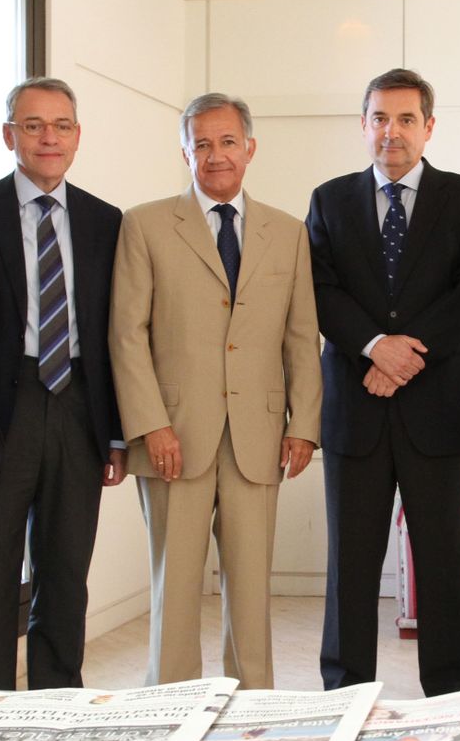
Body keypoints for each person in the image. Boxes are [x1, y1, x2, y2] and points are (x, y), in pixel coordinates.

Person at [110, 92, 321, 690]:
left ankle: (253, 711)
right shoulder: (146, 224)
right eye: (201, 143)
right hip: (173, 434)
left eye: (227, 141)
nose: (215, 154)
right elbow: (128, 334)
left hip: (258, 437)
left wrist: (303, 424)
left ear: (249, 148)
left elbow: (303, 337)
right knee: (174, 589)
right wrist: (151, 425)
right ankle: (170, 708)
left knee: (252, 590)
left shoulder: (288, 233)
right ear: (185, 151)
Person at [306, 68, 460, 696]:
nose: (392, 131)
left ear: (429, 127)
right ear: (363, 126)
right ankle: (346, 692)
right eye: (380, 118)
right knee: (349, 566)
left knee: (441, 562)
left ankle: (456, 694)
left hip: (438, 407)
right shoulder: (328, 201)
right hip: (355, 406)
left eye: (407, 119)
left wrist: (408, 356)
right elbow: (321, 290)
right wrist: (375, 349)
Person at [0, 77, 126, 690]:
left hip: (79, 403)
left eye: (60, 126)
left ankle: (58, 702)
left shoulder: (108, 222)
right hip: (3, 407)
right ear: (10, 135)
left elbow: (118, 333)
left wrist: (116, 433)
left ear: (77, 136)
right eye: (32, 125)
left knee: (65, 569)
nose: (47, 138)